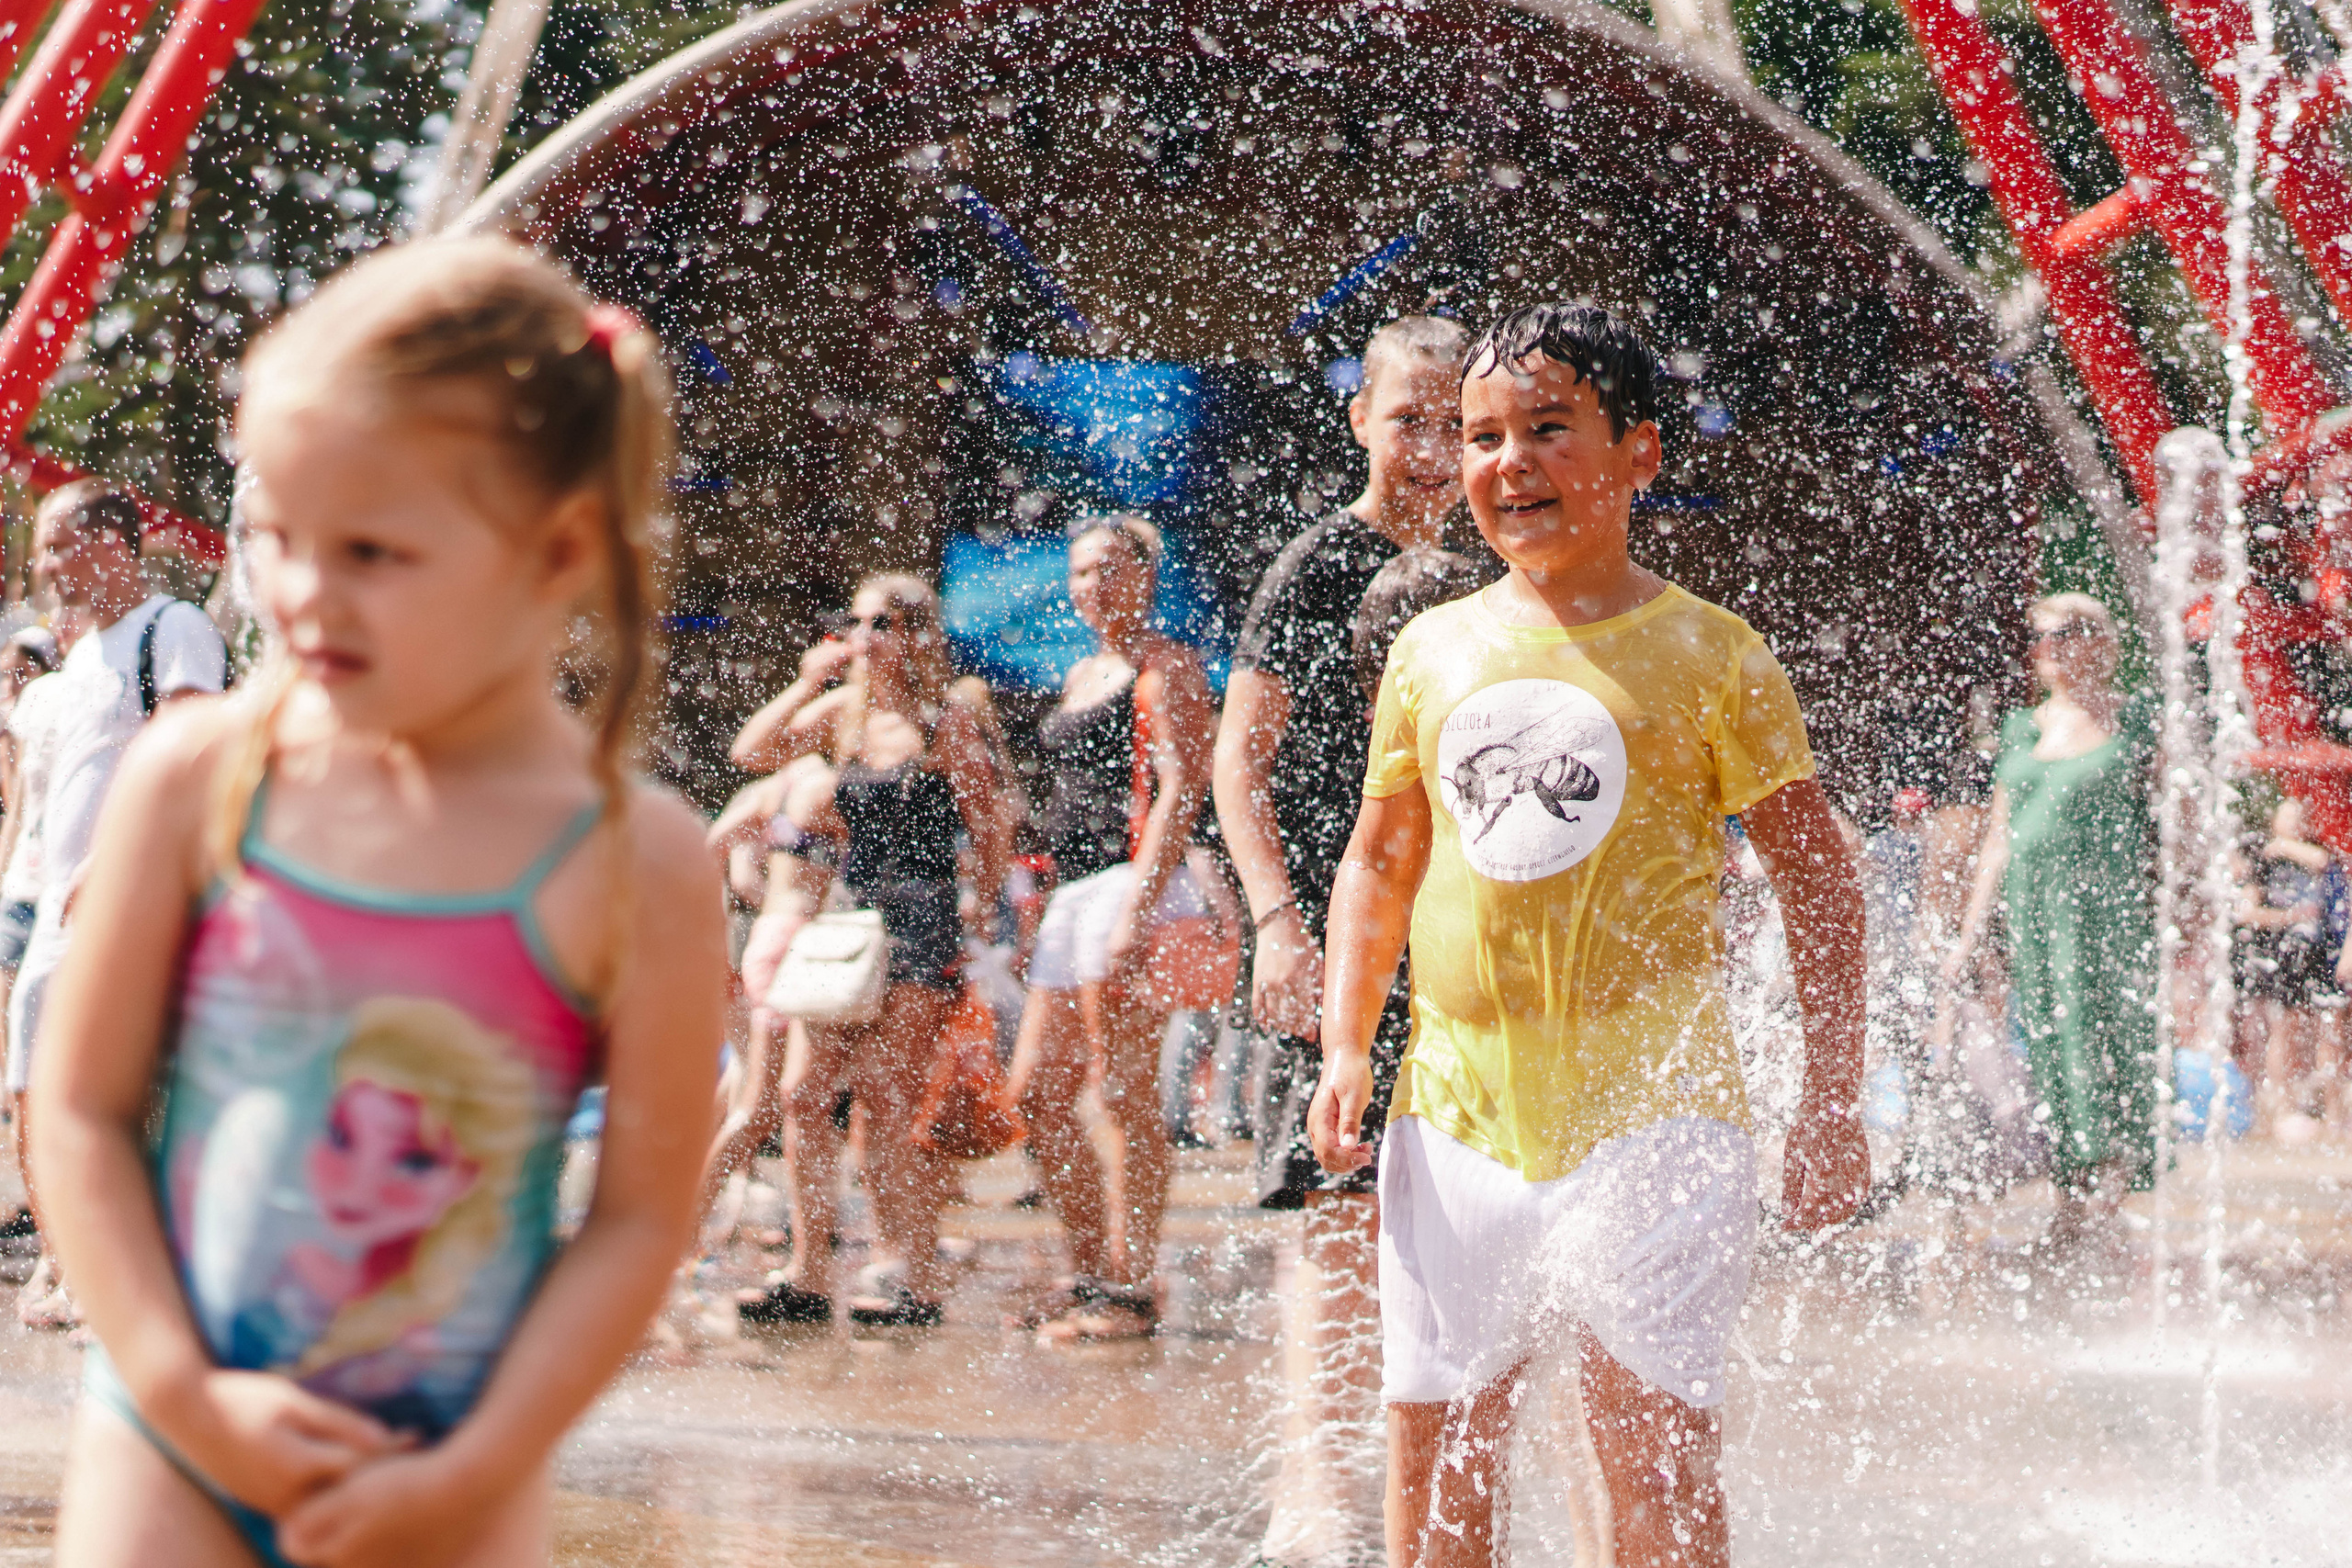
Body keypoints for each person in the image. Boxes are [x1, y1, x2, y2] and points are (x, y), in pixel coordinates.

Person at [29, 237, 725, 1567]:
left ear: (561, 549)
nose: (299, 591)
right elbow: (80, 1108)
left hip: (449, 1479)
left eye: (369, 548)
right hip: (174, 1439)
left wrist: (480, 1459)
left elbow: (639, 1217)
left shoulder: (636, 858)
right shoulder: (203, 775)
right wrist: (185, 1391)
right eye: (276, 535)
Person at [1309, 303, 1866, 1568]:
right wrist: (1348, 1042)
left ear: (1639, 457)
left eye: (1550, 431)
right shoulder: (1432, 647)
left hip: (1656, 1115)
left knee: (1650, 1462)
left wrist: (1830, 1101)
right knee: (1437, 1471)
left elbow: (1819, 879)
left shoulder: (1712, 652)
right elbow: (1383, 856)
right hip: (1451, 1107)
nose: (1509, 465)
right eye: (1482, 436)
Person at [1212, 315, 1489, 1562]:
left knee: (1478, 1213)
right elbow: (1240, 761)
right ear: (1359, 421)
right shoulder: (1318, 564)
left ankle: (1447, 1495)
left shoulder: (1504, 560)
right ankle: (1316, 1494)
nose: (1432, 447)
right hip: (1337, 936)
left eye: (1454, 421)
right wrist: (1277, 918)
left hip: (1478, 941)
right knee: (1333, 1207)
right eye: (1408, 418)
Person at [732, 575, 1004, 1327]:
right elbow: (750, 751)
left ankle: (906, 1270)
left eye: (880, 622)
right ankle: (809, 1271)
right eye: (856, 622)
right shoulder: (841, 714)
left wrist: (981, 917)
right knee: (801, 1095)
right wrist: (806, 681)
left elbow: (989, 825)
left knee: (888, 1098)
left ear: (917, 631)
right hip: (846, 919)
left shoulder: (942, 722)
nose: (863, 635)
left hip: (921, 925)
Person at [9, 483, 229, 1329]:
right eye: (43, 550)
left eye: (59, 546)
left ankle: (126, 1271)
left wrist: (117, 857)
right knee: (34, 1085)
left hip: (131, 899)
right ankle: (69, 1260)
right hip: (56, 912)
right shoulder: (78, 658)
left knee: (115, 1087)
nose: (47, 567)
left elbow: (192, 742)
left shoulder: (170, 625)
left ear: (114, 545)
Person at [1009, 513, 1215, 1341]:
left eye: (1109, 569)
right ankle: (1094, 1267)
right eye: (1081, 572)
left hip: (1135, 885)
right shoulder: (1082, 672)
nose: (1092, 585)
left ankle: (1130, 1285)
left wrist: (1140, 903)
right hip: (1073, 895)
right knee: (1037, 1093)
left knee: (1124, 1091)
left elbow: (1180, 787)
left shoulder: (1166, 667)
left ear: (1146, 575)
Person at [1946, 592, 2157, 1248]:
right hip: (2037, 912)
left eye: (2063, 635)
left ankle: (2111, 1198)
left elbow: (2174, 832)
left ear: (2098, 640)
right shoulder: (2022, 728)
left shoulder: (2135, 722)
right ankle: (2068, 1198)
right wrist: (1968, 933)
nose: (2048, 651)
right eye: (2038, 638)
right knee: (2051, 1041)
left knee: (2108, 1040)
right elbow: (1998, 840)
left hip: (2107, 910)